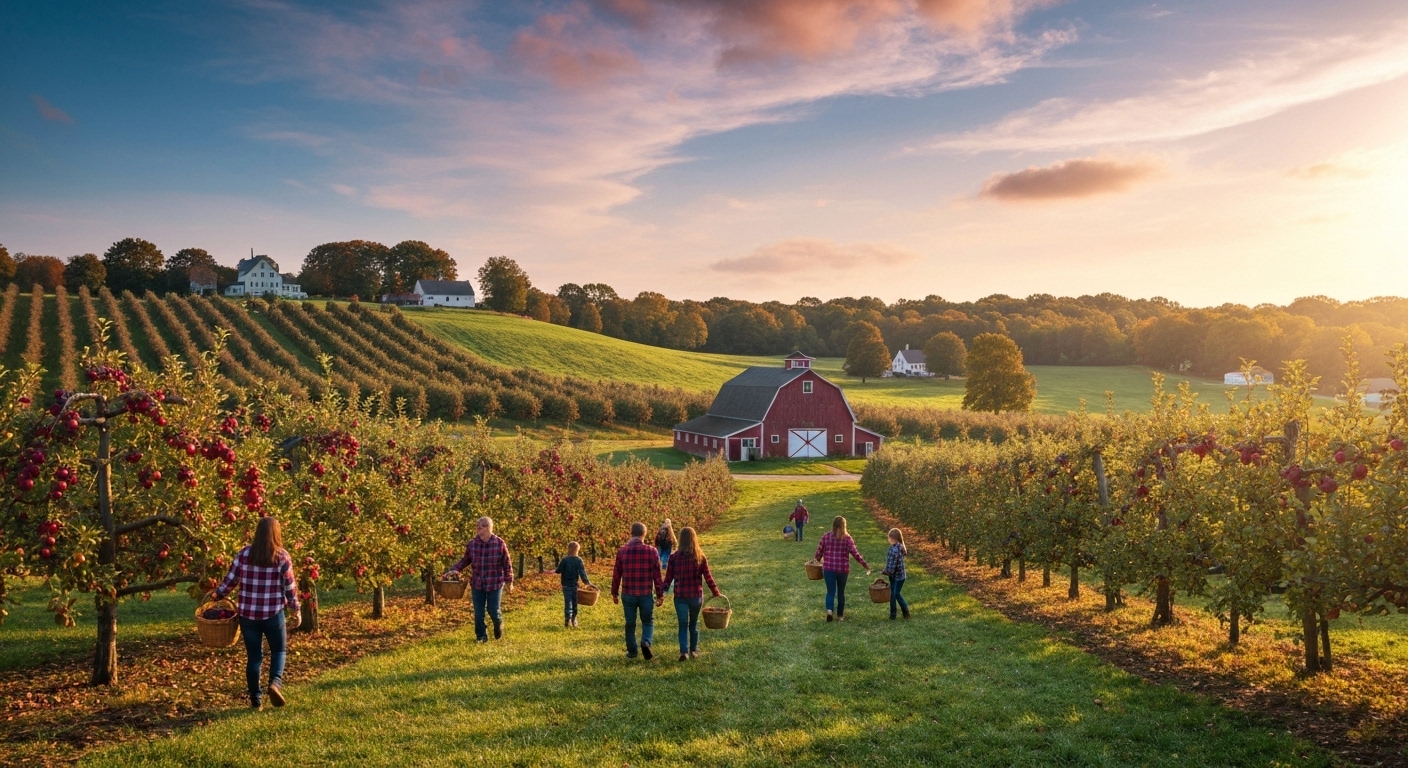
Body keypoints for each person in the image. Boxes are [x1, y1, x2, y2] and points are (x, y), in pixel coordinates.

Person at [212, 516, 300, 710]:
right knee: (279, 650)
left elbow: (230, 581)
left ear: (257, 533)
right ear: (276, 533)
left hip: (248, 616)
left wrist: (217, 595)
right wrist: (295, 609)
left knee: (254, 657)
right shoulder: (282, 556)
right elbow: (290, 587)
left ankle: (255, 700)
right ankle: (275, 684)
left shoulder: (244, 555)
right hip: (273, 614)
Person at [446, 516, 514, 643]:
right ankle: (481, 636)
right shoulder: (472, 544)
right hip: (477, 583)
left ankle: (498, 622)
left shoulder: (499, 543)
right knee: (478, 612)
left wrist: (510, 581)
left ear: (488, 527)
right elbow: (465, 560)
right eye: (477, 526)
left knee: (493, 609)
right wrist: (456, 569)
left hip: (495, 582)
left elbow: (507, 563)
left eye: (480, 526)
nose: (477, 529)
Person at [662, 526, 720, 661]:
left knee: (682, 625)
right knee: (693, 624)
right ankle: (693, 650)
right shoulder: (700, 557)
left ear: (680, 540)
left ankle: (684, 652)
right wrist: (715, 591)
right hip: (696, 596)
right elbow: (708, 577)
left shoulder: (674, 557)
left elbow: (668, 578)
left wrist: (662, 592)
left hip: (680, 596)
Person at [612, 522, 665, 660]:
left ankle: (632, 651)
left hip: (628, 593)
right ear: (644, 534)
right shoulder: (652, 551)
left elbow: (617, 574)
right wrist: (660, 594)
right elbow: (657, 575)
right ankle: (646, 641)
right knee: (647, 621)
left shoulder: (622, 551)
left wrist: (614, 592)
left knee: (630, 623)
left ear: (631, 533)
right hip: (645, 593)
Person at [815, 515, 869, 622]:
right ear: (844, 526)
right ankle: (840, 616)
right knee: (841, 592)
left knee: (830, 591)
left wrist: (816, 560)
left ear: (833, 525)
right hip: (842, 570)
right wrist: (865, 565)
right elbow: (855, 554)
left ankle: (830, 611)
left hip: (829, 568)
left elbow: (819, 552)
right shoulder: (847, 539)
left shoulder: (826, 536)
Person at [554, 541, 592, 628]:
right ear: (577, 550)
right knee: (575, 603)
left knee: (568, 603)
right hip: (575, 586)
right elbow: (582, 573)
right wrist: (587, 583)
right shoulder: (578, 560)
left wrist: (557, 569)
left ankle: (567, 620)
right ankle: (574, 620)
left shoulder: (564, 560)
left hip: (566, 585)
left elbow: (558, 571)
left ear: (569, 549)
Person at [882, 528, 910, 620]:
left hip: (897, 577)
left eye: (889, 537)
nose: (888, 539)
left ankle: (905, 611)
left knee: (895, 594)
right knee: (893, 594)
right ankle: (893, 614)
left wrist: (885, 571)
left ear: (893, 538)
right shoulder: (900, 547)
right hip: (900, 576)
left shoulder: (893, 550)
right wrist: (887, 570)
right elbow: (891, 564)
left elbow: (892, 566)